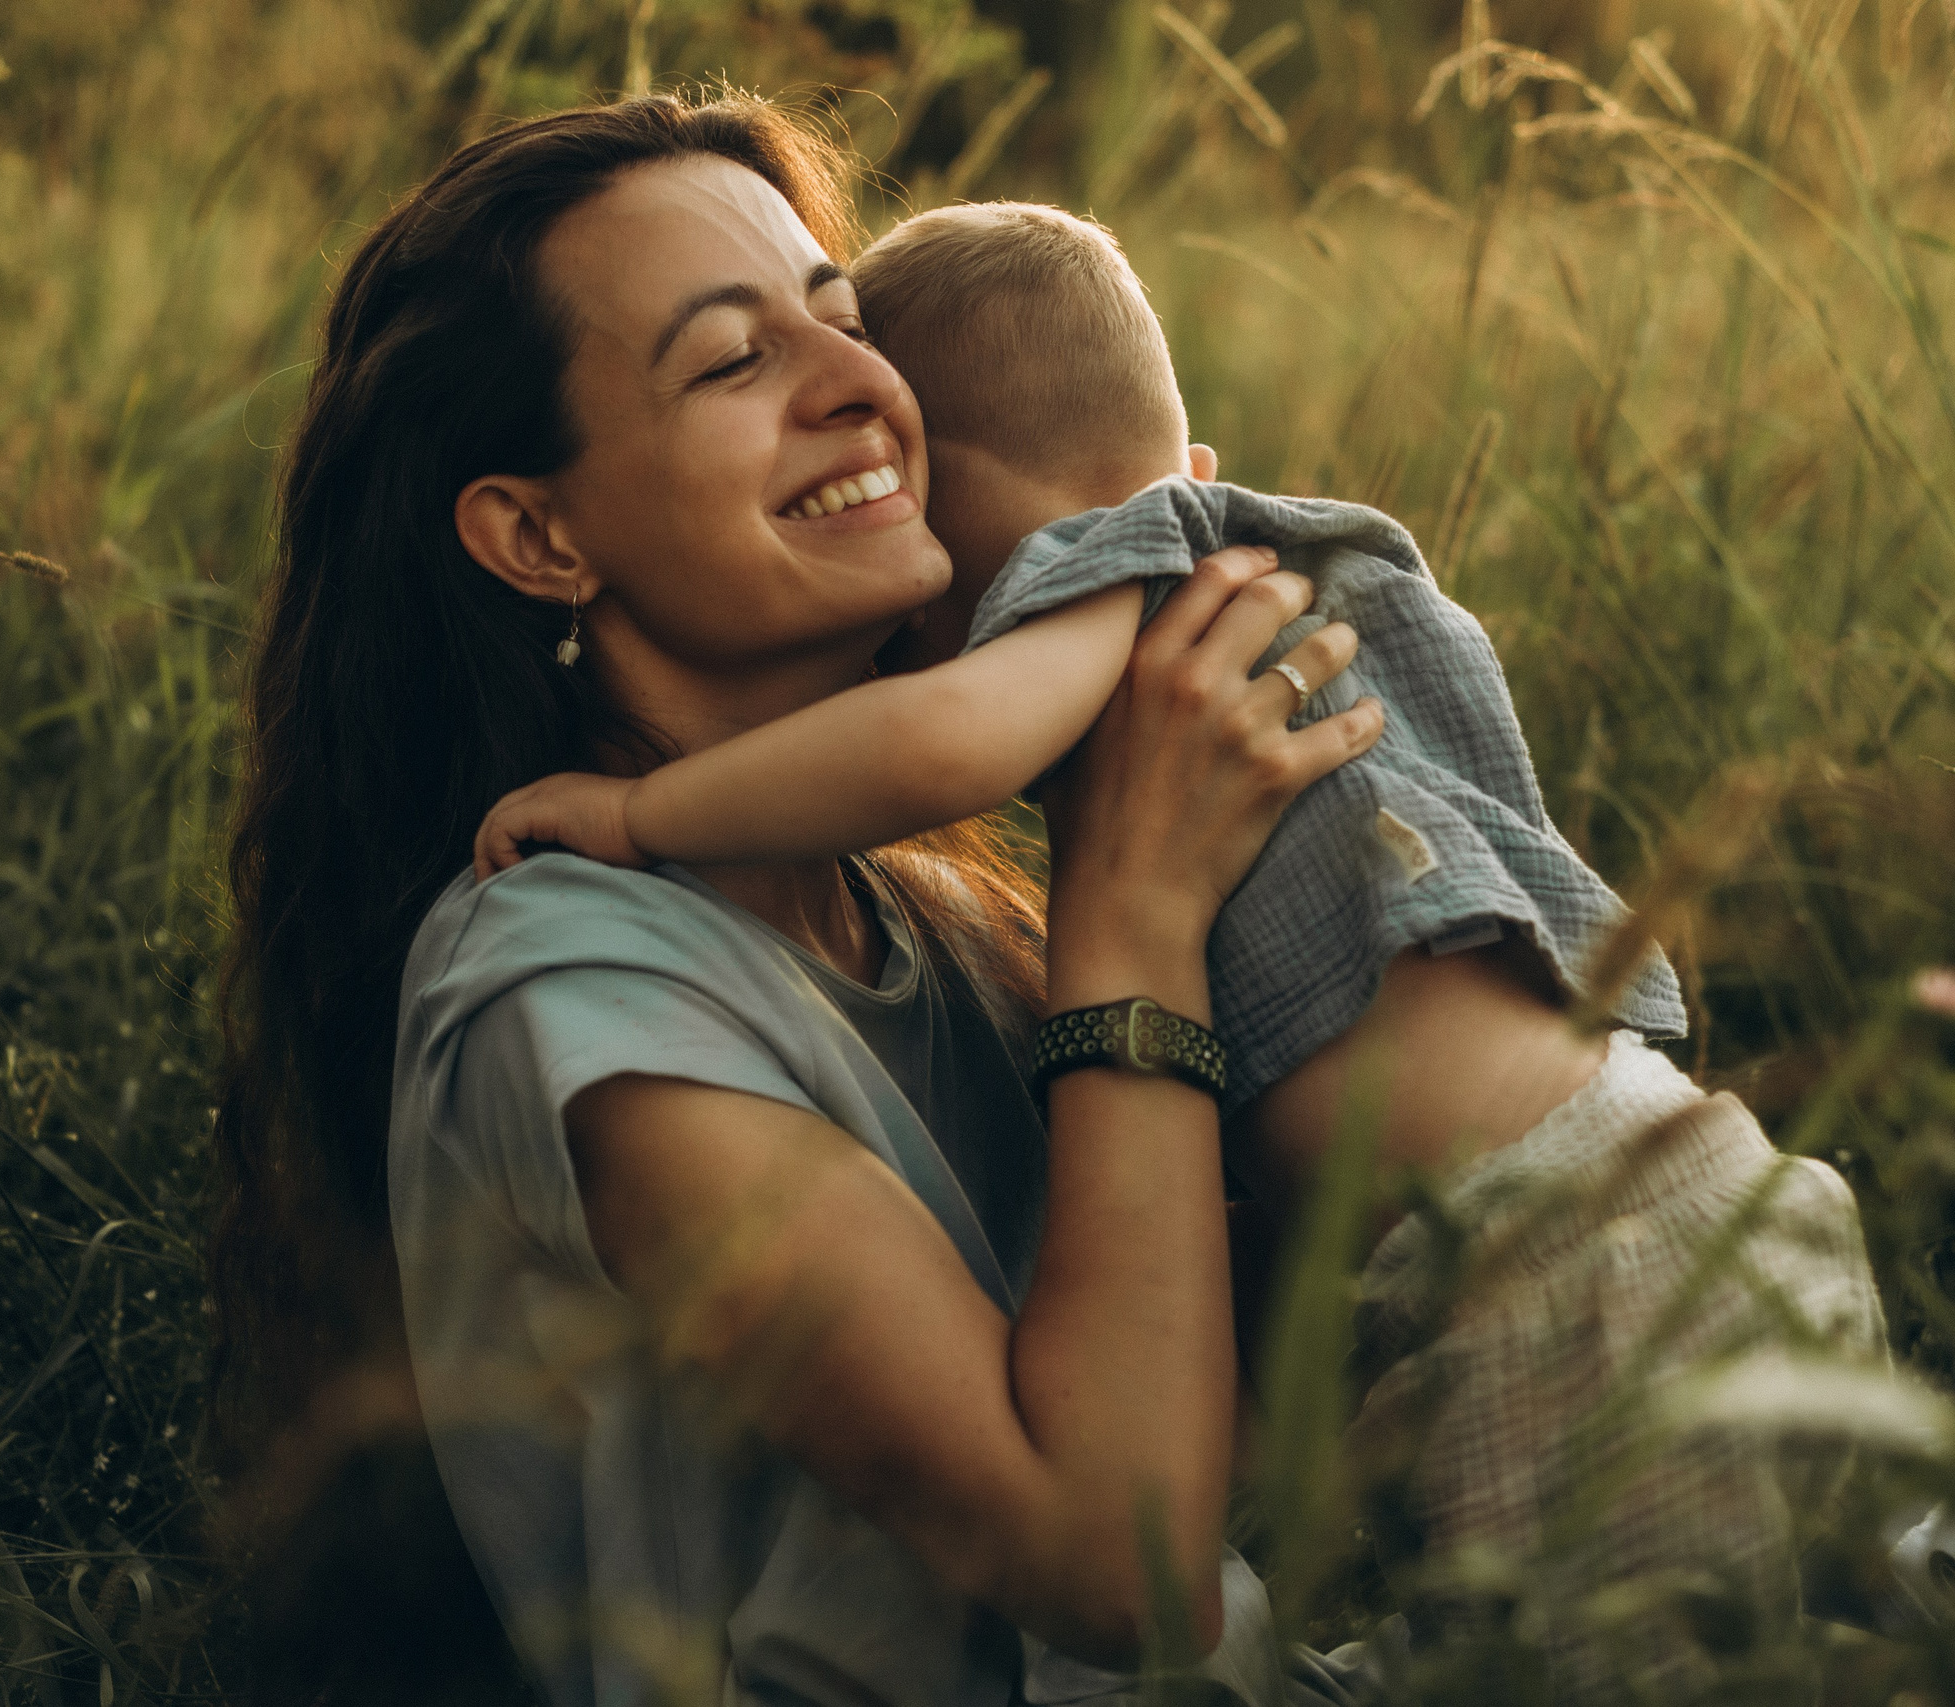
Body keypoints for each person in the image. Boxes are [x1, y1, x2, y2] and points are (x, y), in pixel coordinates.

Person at [472, 200, 1890, 1695]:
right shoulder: (1317, 569)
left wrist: (640, 812)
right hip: (1683, 1194)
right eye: (730, 361)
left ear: (962, 518)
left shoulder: (1120, 581)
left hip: (1569, 1285)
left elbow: (946, 739)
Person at [211, 97, 1390, 1707]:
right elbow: (1117, 1570)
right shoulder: (567, 994)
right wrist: (1132, 906)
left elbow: (1190, 1375)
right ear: (539, 535)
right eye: (730, 363)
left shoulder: (928, 923)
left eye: (839, 320)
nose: (862, 386)